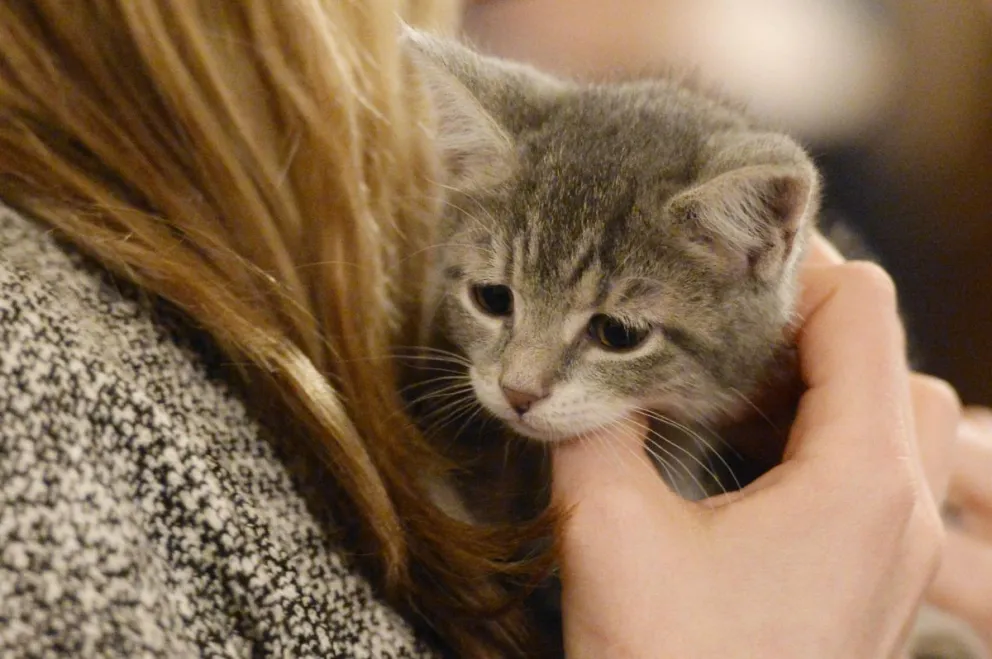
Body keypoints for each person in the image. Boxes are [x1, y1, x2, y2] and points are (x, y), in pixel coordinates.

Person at [0, 2, 988, 659]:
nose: (518, 380)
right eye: (496, 301)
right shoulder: (39, 389)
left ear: (754, 248)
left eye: (609, 328)